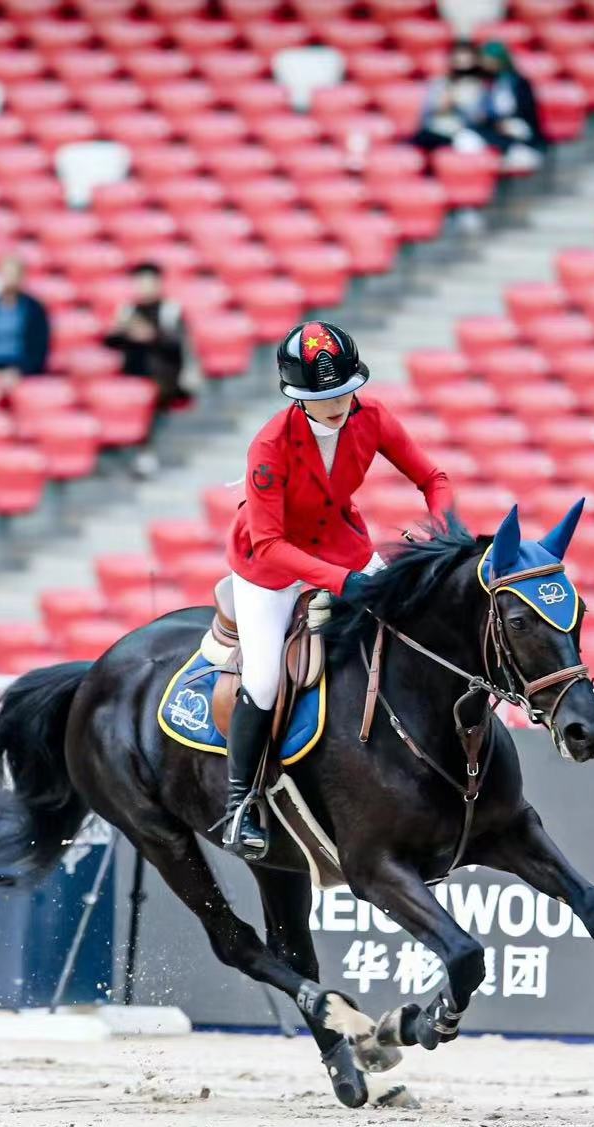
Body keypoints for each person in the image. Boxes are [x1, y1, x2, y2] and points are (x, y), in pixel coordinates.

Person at [220, 320, 456, 855]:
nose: (336, 405)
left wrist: (447, 534)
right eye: (321, 398)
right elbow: (271, 543)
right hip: (269, 567)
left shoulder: (372, 417)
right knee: (261, 679)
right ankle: (241, 804)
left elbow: (433, 479)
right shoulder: (270, 446)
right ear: (297, 398)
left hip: (339, 544)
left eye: (345, 392)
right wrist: (344, 581)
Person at [102, 262, 188, 413]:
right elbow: (110, 341)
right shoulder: (126, 310)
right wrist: (125, 333)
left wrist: (152, 335)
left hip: (164, 377)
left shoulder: (171, 310)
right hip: (133, 375)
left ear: (159, 283)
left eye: (148, 282)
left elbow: (178, 345)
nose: (144, 286)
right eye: (140, 282)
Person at [0, 255, 50, 384]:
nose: (9, 278)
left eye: (13, 274)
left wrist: (21, 371)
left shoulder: (34, 308)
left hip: (20, 369)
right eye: (5, 274)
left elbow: (39, 347)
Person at [479, 41, 545, 173]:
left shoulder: (518, 83)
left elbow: (527, 114)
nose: (487, 65)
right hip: (493, 131)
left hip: (519, 131)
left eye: (490, 61)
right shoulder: (485, 82)